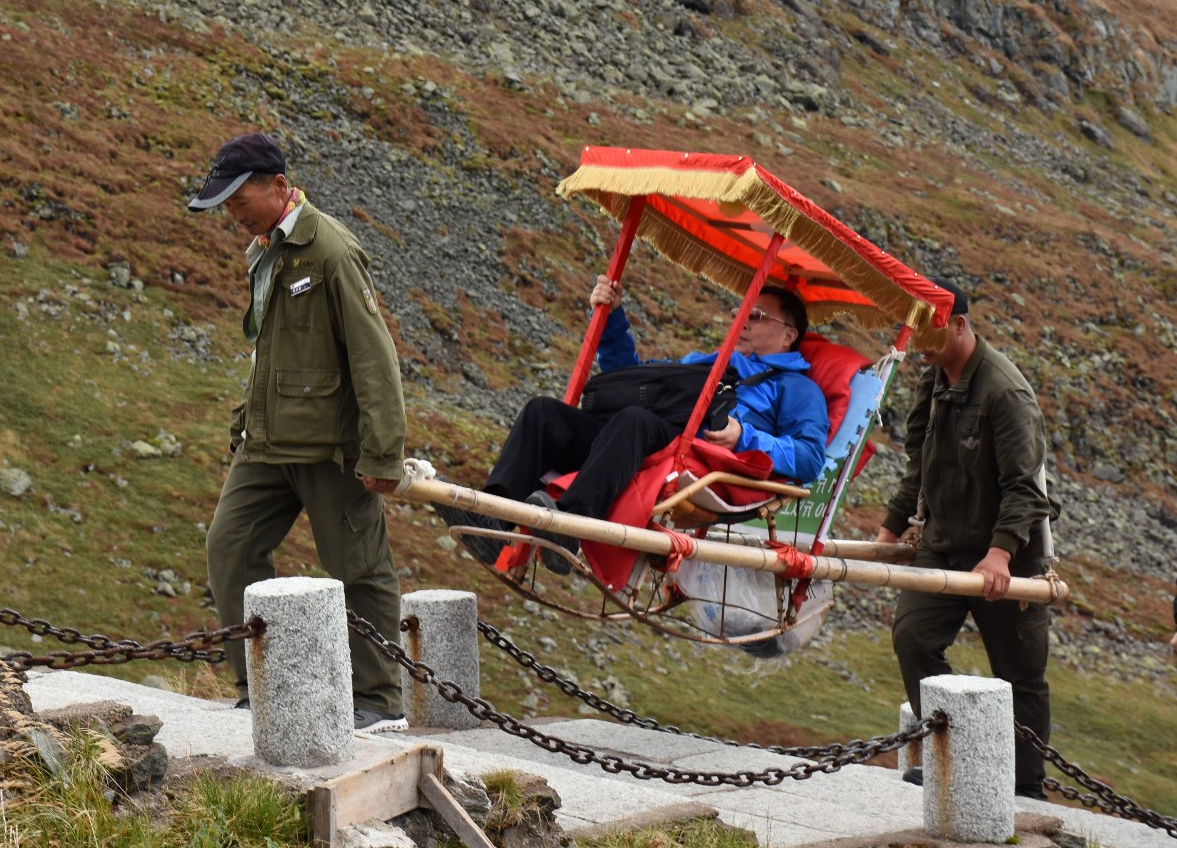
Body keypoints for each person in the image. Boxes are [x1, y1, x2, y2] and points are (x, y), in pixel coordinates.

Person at [188, 132, 409, 733]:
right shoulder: (263, 251)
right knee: (229, 547)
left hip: (331, 449)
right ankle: (259, 686)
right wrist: (244, 424)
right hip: (265, 444)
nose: (232, 216)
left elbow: (374, 356)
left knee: (357, 568)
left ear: (279, 188)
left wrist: (383, 451)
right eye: (226, 206)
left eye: (239, 202)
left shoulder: (332, 250)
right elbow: (267, 351)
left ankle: (379, 701)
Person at [441, 274, 828, 573]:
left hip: (698, 454)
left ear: (789, 335)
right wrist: (611, 320)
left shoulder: (797, 388)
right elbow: (634, 384)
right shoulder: (706, 360)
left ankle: (571, 526)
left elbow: (811, 458)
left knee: (634, 419)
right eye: (739, 313)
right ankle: (490, 524)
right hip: (637, 434)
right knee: (544, 412)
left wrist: (746, 436)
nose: (741, 320)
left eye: (755, 315)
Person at [874, 277, 1056, 800]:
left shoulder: (1005, 391)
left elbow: (1026, 489)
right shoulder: (931, 382)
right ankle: (954, 761)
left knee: (1020, 674)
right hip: (944, 542)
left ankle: (1025, 790)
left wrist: (1000, 555)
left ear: (959, 324)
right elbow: (918, 466)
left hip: (1010, 555)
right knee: (913, 638)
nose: (920, 343)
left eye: (929, 331)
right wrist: (892, 526)